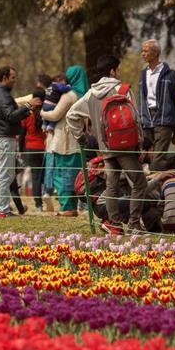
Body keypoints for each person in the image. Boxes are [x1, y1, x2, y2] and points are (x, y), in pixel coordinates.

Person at [67, 56, 147, 234]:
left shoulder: (90, 94)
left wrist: (81, 137)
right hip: (126, 146)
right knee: (139, 183)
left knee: (112, 185)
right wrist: (140, 144)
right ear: (112, 71)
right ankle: (134, 224)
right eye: (117, 69)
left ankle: (115, 224)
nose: (118, 72)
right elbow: (135, 119)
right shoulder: (123, 90)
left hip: (105, 147)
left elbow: (71, 115)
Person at [41, 65, 86, 217]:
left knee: (61, 175)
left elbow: (55, 115)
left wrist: (42, 112)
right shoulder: (84, 96)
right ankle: (72, 207)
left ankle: (66, 207)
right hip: (78, 142)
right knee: (75, 176)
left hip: (64, 143)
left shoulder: (69, 96)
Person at [0, 66, 35, 218]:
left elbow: (10, 115)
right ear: (4, 78)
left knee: (7, 174)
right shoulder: (3, 94)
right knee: (6, 175)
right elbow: (10, 115)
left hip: (2, 137)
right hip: (4, 139)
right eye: (13, 77)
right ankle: (3, 210)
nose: (15, 81)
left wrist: (26, 110)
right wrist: (28, 106)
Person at [138, 39, 175, 163]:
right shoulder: (143, 74)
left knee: (158, 158)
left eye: (146, 51)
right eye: (142, 51)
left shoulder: (171, 75)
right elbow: (142, 98)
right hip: (146, 120)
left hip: (164, 118)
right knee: (147, 158)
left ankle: (158, 174)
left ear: (156, 53)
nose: (143, 54)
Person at [21, 88, 49, 211]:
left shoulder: (27, 114)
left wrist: (20, 150)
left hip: (31, 149)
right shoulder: (47, 113)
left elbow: (22, 134)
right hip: (45, 148)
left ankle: (38, 205)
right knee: (46, 174)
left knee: (35, 177)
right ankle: (47, 194)